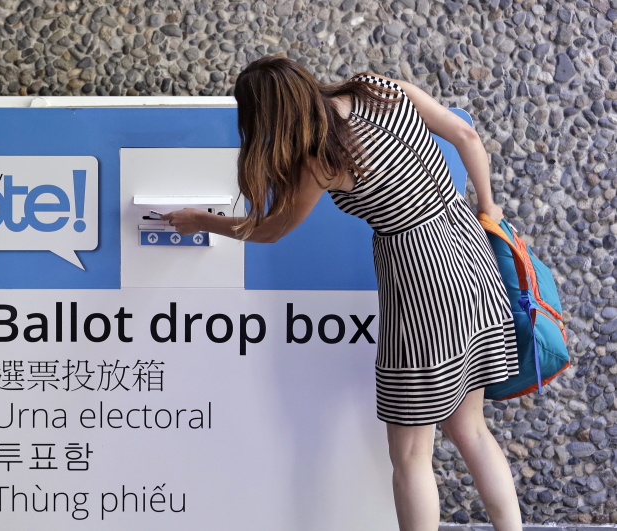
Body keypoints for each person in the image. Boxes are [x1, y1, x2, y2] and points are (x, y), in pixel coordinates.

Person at [161, 56, 524, 531]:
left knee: (411, 456)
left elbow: (272, 230)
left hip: (423, 280)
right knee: (470, 428)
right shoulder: (380, 90)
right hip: (471, 252)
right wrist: (488, 205)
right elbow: (467, 136)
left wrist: (201, 221)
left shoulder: (323, 159)